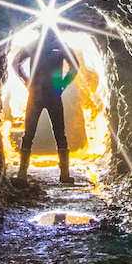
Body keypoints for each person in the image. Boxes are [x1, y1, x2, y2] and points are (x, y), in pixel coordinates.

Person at [14, 29, 80, 186]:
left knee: (29, 134)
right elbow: (75, 67)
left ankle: (22, 174)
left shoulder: (35, 45)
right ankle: (64, 174)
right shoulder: (61, 45)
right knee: (58, 134)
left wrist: (26, 81)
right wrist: (62, 85)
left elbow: (16, 63)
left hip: (38, 94)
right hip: (51, 94)